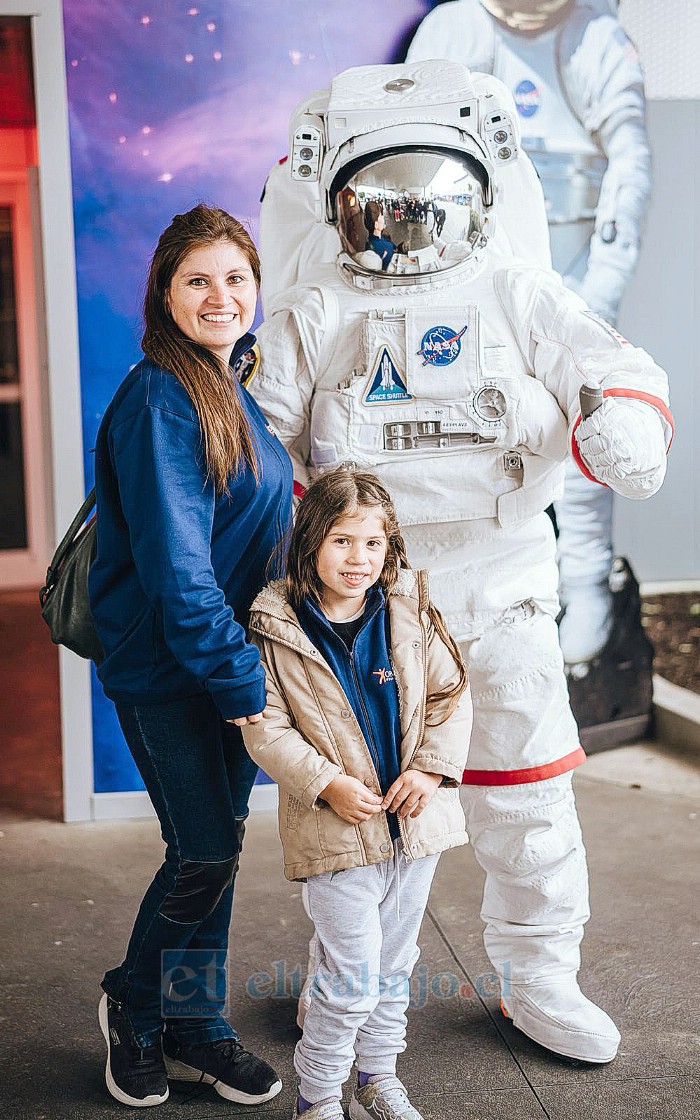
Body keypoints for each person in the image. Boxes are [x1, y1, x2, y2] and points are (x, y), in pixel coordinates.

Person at [250, 61, 673, 1064]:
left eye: (419, 204)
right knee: (367, 806)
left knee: (525, 790)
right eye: (373, 208)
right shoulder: (316, 309)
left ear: (473, 198)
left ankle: (539, 975)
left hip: (502, 581)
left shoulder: (516, 289)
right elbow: (253, 437)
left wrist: (619, 426)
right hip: (370, 600)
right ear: (339, 207)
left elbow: (618, 369)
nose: (398, 228)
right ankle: (349, 980)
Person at [89, 204, 292, 1108]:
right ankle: (136, 1004)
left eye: (235, 278)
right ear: (164, 293)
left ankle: (194, 1020)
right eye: (197, 280)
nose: (220, 295)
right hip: (172, 669)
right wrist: (246, 685)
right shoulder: (159, 397)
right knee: (202, 848)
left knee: (220, 849)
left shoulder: (229, 384)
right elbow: (177, 570)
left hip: (224, 664)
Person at [407, 0, 655, 742]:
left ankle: (585, 607)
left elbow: (630, 165)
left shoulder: (595, 39)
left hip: (575, 278)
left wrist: (595, 295)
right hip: (483, 284)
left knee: (585, 433)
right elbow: (413, 146)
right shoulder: (457, 29)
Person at [242, 468, 473, 1120]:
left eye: (374, 544)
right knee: (349, 979)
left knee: (395, 967)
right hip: (334, 832)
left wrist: (429, 771)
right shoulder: (274, 624)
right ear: (311, 540)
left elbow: (450, 696)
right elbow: (266, 730)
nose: (359, 559)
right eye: (344, 542)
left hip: (413, 826)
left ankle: (377, 1079)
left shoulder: (408, 610)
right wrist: (327, 784)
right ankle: (317, 1099)